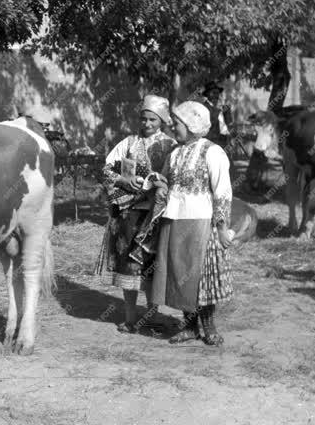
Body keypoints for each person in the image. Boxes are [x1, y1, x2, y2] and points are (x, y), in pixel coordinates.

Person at [150, 101, 234, 346]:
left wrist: (220, 227)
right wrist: (161, 187)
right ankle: (189, 325)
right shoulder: (175, 153)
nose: (173, 127)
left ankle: (208, 325)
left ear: (192, 124)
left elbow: (222, 191)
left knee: (201, 276)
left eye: (177, 124)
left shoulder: (213, 152)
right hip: (174, 218)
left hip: (201, 221)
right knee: (178, 273)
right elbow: (166, 180)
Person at [94, 95, 176, 333]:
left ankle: (152, 314)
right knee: (128, 265)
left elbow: (175, 179)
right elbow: (106, 169)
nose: (147, 124)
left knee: (152, 266)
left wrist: (160, 186)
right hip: (129, 215)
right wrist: (124, 179)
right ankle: (130, 317)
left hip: (156, 215)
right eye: (144, 118)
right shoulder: (128, 142)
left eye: (153, 119)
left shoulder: (171, 146)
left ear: (161, 120)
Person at [202, 81, 230, 148]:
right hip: (210, 143)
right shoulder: (204, 108)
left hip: (222, 143)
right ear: (207, 94)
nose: (216, 96)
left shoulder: (222, 108)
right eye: (213, 93)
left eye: (217, 93)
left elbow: (228, 124)